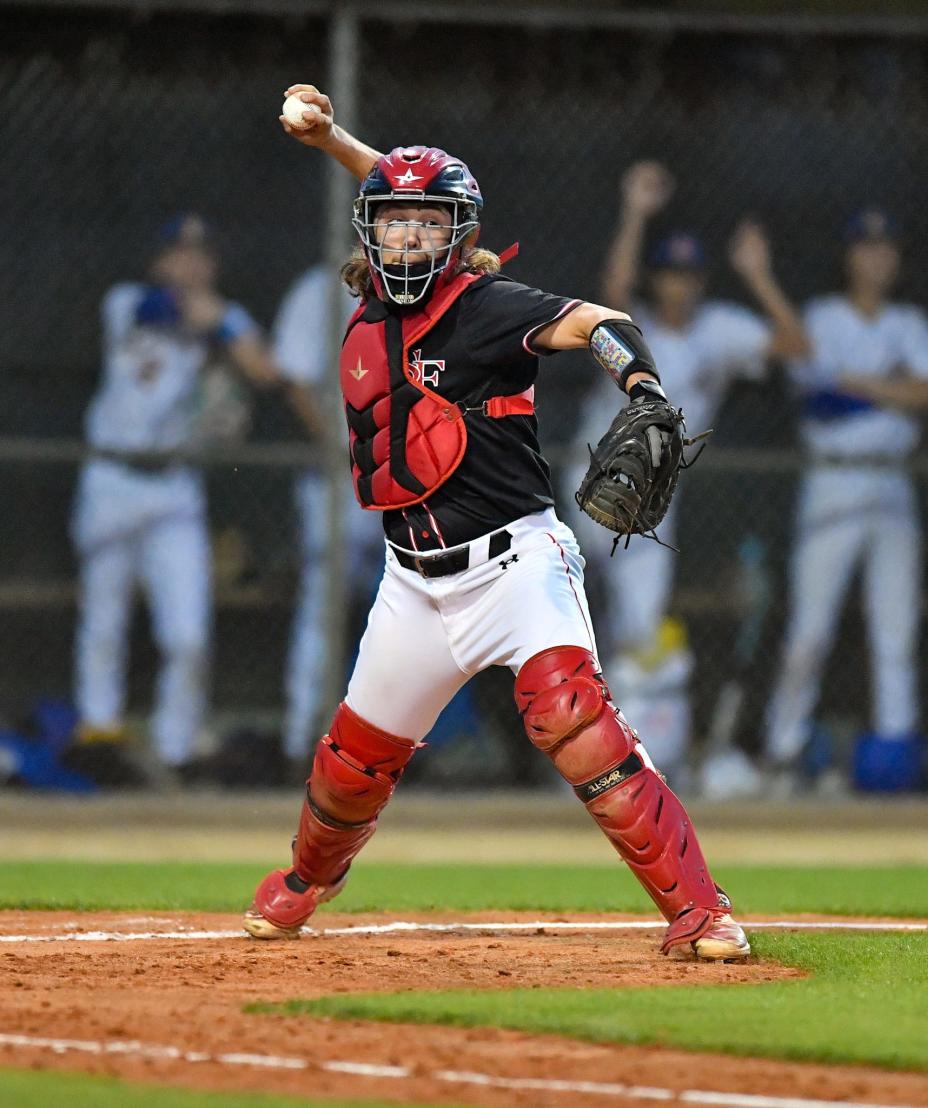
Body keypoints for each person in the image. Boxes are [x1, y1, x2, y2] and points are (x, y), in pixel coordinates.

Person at [242, 83, 751, 962]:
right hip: (412, 581)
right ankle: (307, 879)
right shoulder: (370, 310)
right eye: (393, 222)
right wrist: (332, 142)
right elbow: (397, 185)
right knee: (351, 765)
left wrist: (641, 384)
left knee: (573, 719)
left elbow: (600, 321)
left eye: (427, 225)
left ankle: (703, 912)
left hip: (516, 564)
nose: (407, 234)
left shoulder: (486, 309)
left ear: (457, 237)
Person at [571, 161, 808, 661]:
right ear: (655, 281)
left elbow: (796, 345)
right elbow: (612, 293)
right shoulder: (630, 327)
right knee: (588, 601)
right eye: (670, 275)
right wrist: (635, 213)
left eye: (689, 275)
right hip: (596, 467)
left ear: (702, 281)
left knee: (639, 621)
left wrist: (758, 275)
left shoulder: (717, 328)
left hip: (656, 485)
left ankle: (623, 717)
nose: (680, 285)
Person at [72, 214, 281, 775]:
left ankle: (176, 748)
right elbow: (166, 311)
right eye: (180, 254)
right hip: (111, 479)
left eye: (202, 255)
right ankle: (99, 736)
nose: (191, 265)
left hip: (173, 492)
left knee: (188, 633)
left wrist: (229, 321)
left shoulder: (221, 323)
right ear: (158, 262)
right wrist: (222, 320)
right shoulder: (126, 302)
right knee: (103, 620)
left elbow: (265, 373)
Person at [765, 208, 928, 791]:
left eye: (886, 248)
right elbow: (815, 393)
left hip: (892, 483)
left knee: (896, 631)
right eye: (867, 248)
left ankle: (897, 758)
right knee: (811, 630)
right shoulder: (821, 316)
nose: (877, 257)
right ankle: (782, 750)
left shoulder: (913, 322)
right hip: (834, 479)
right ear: (850, 256)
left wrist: (851, 380)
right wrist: (887, 385)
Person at [272, 264, 383, 766]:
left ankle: (391, 746)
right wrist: (345, 448)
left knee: (409, 614)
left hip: (404, 478)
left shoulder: (424, 288)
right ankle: (304, 739)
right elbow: (294, 380)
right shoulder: (317, 290)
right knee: (322, 609)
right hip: (338, 478)